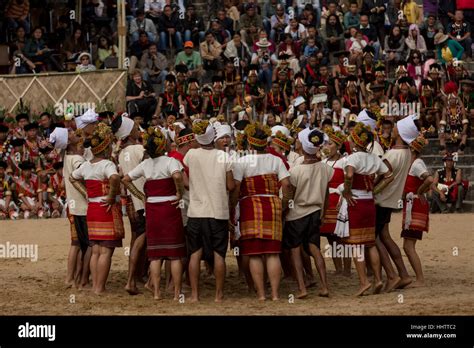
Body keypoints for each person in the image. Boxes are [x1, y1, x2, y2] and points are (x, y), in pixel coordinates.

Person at [124, 127, 186, 300]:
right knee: (174, 254)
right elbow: (178, 177)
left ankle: (157, 293)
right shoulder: (170, 161)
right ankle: (176, 294)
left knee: (155, 255)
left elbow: (125, 179)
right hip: (169, 208)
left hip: (152, 209)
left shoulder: (145, 164)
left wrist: (141, 196)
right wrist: (179, 193)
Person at [231, 122, 290, 301]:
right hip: (272, 205)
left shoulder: (242, 162)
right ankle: (275, 294)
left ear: (250, 143)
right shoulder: (277, 160)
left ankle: (262, 294)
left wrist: (231, 208)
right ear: (266, 143)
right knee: (272, 252)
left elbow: (235, 189)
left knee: (255, 253)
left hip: (250, 206)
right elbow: (286, 185)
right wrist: (285, 204)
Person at [335, 122, 394, 296]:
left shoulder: (352, 158)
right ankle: (378, 279)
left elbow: (349, 175)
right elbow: (389, 176)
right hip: (369, 202)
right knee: (370, 243)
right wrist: (374, 190)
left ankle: (364, 282)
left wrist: (346, 191)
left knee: (356, 245)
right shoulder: (374, 158)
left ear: (354, 141)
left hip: (356, 202)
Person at [70, 122, 124, 295]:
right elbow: (115, 179)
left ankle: (95, 286)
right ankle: (100, 287)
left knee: (95, 251)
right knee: (106, 251)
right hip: (105, 208)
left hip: (92, 207)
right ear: (105, 147)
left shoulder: (86, 165)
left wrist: (86, 192)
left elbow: (73, 178)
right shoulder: (107, 164)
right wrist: (110, 196)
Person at [184, 120, 234, 302]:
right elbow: (230, 185)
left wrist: (194, 186)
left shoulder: (190, 154)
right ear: (214, 136)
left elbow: (184, 179)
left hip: (196, 212)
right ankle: (219, 295)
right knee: (219, 254)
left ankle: (195, 295)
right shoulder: (224, 157)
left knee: (195, 254)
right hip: (218, 212)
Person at [285, 128, 333, 298]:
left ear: (304, 149)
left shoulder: (295, 171)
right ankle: (325, 286)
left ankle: (302, 288)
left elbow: (291, 196)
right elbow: (326, 194)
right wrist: (324, 213)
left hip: (297, 214)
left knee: (295, 250)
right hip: (315, 212)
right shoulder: (326, 168)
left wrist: (285, 212)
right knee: (314, 248)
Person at [375, 114, 420, 292]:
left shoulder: (393, 154)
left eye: (394, 128)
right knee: (385, 236)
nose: (391, 129)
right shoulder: (407, 152)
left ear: (400, 133)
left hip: (380, 200)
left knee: (374, 238)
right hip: (390, 201)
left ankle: (392, 275)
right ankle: (403, 274)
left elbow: (379, 176)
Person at [113, 115, 147, 295]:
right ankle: (131, 280)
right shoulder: (137, 149)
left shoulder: (122, 152)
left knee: (137, 239)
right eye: (135, 127)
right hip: (143, 200)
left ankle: (137, 275)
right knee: (141, 239)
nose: (138, 128)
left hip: (133, 201)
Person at [401, 135, 432, 287]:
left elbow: (429, 180)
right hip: (412, 205)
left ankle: (420, 279)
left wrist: (419, 192)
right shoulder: (413, 163)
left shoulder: (416, 164)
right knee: (408, 245)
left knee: (408, 246)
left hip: (415, 205)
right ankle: (419, 278)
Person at [320, 129, 351, 276]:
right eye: (326, 143)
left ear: (338, 146)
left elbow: (348, 181)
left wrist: (344, 197)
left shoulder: (345, 161)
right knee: (331, 236)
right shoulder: (323, 162)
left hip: (339, 201)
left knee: (342, 237)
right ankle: (338, 268)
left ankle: (346, 269)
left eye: (330, 143)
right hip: (327, 201)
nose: (326, 146)